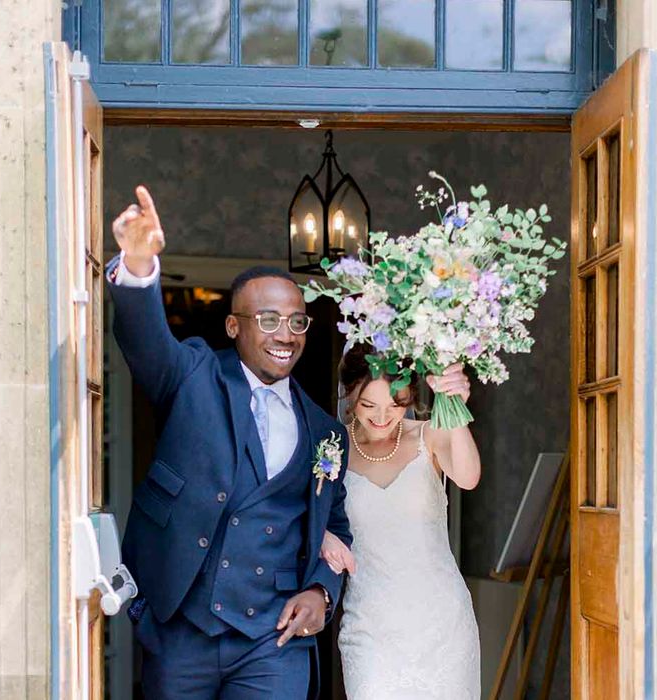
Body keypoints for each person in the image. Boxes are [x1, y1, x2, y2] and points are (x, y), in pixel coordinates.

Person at [108, 186, 352, 699]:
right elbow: (146, 343)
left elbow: (334, 525)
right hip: (180, 630)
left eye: (296, 321)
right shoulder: (193, 375)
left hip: (274, 638)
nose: (285, 334)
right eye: (267, 320)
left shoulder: (326, 431)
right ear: (234, 326)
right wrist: (137, 265)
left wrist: (321, 594)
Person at [321, 342, 481, 700]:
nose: (382, 417)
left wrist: (453, 406)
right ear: (349, 396)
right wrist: (321, 537)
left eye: (395, 404)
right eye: (368, 405)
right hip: (370, 628)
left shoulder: (429, 435)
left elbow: (469, 478)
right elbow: (306, 516)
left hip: (443, 625)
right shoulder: (330, 451)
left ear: (409, 398)